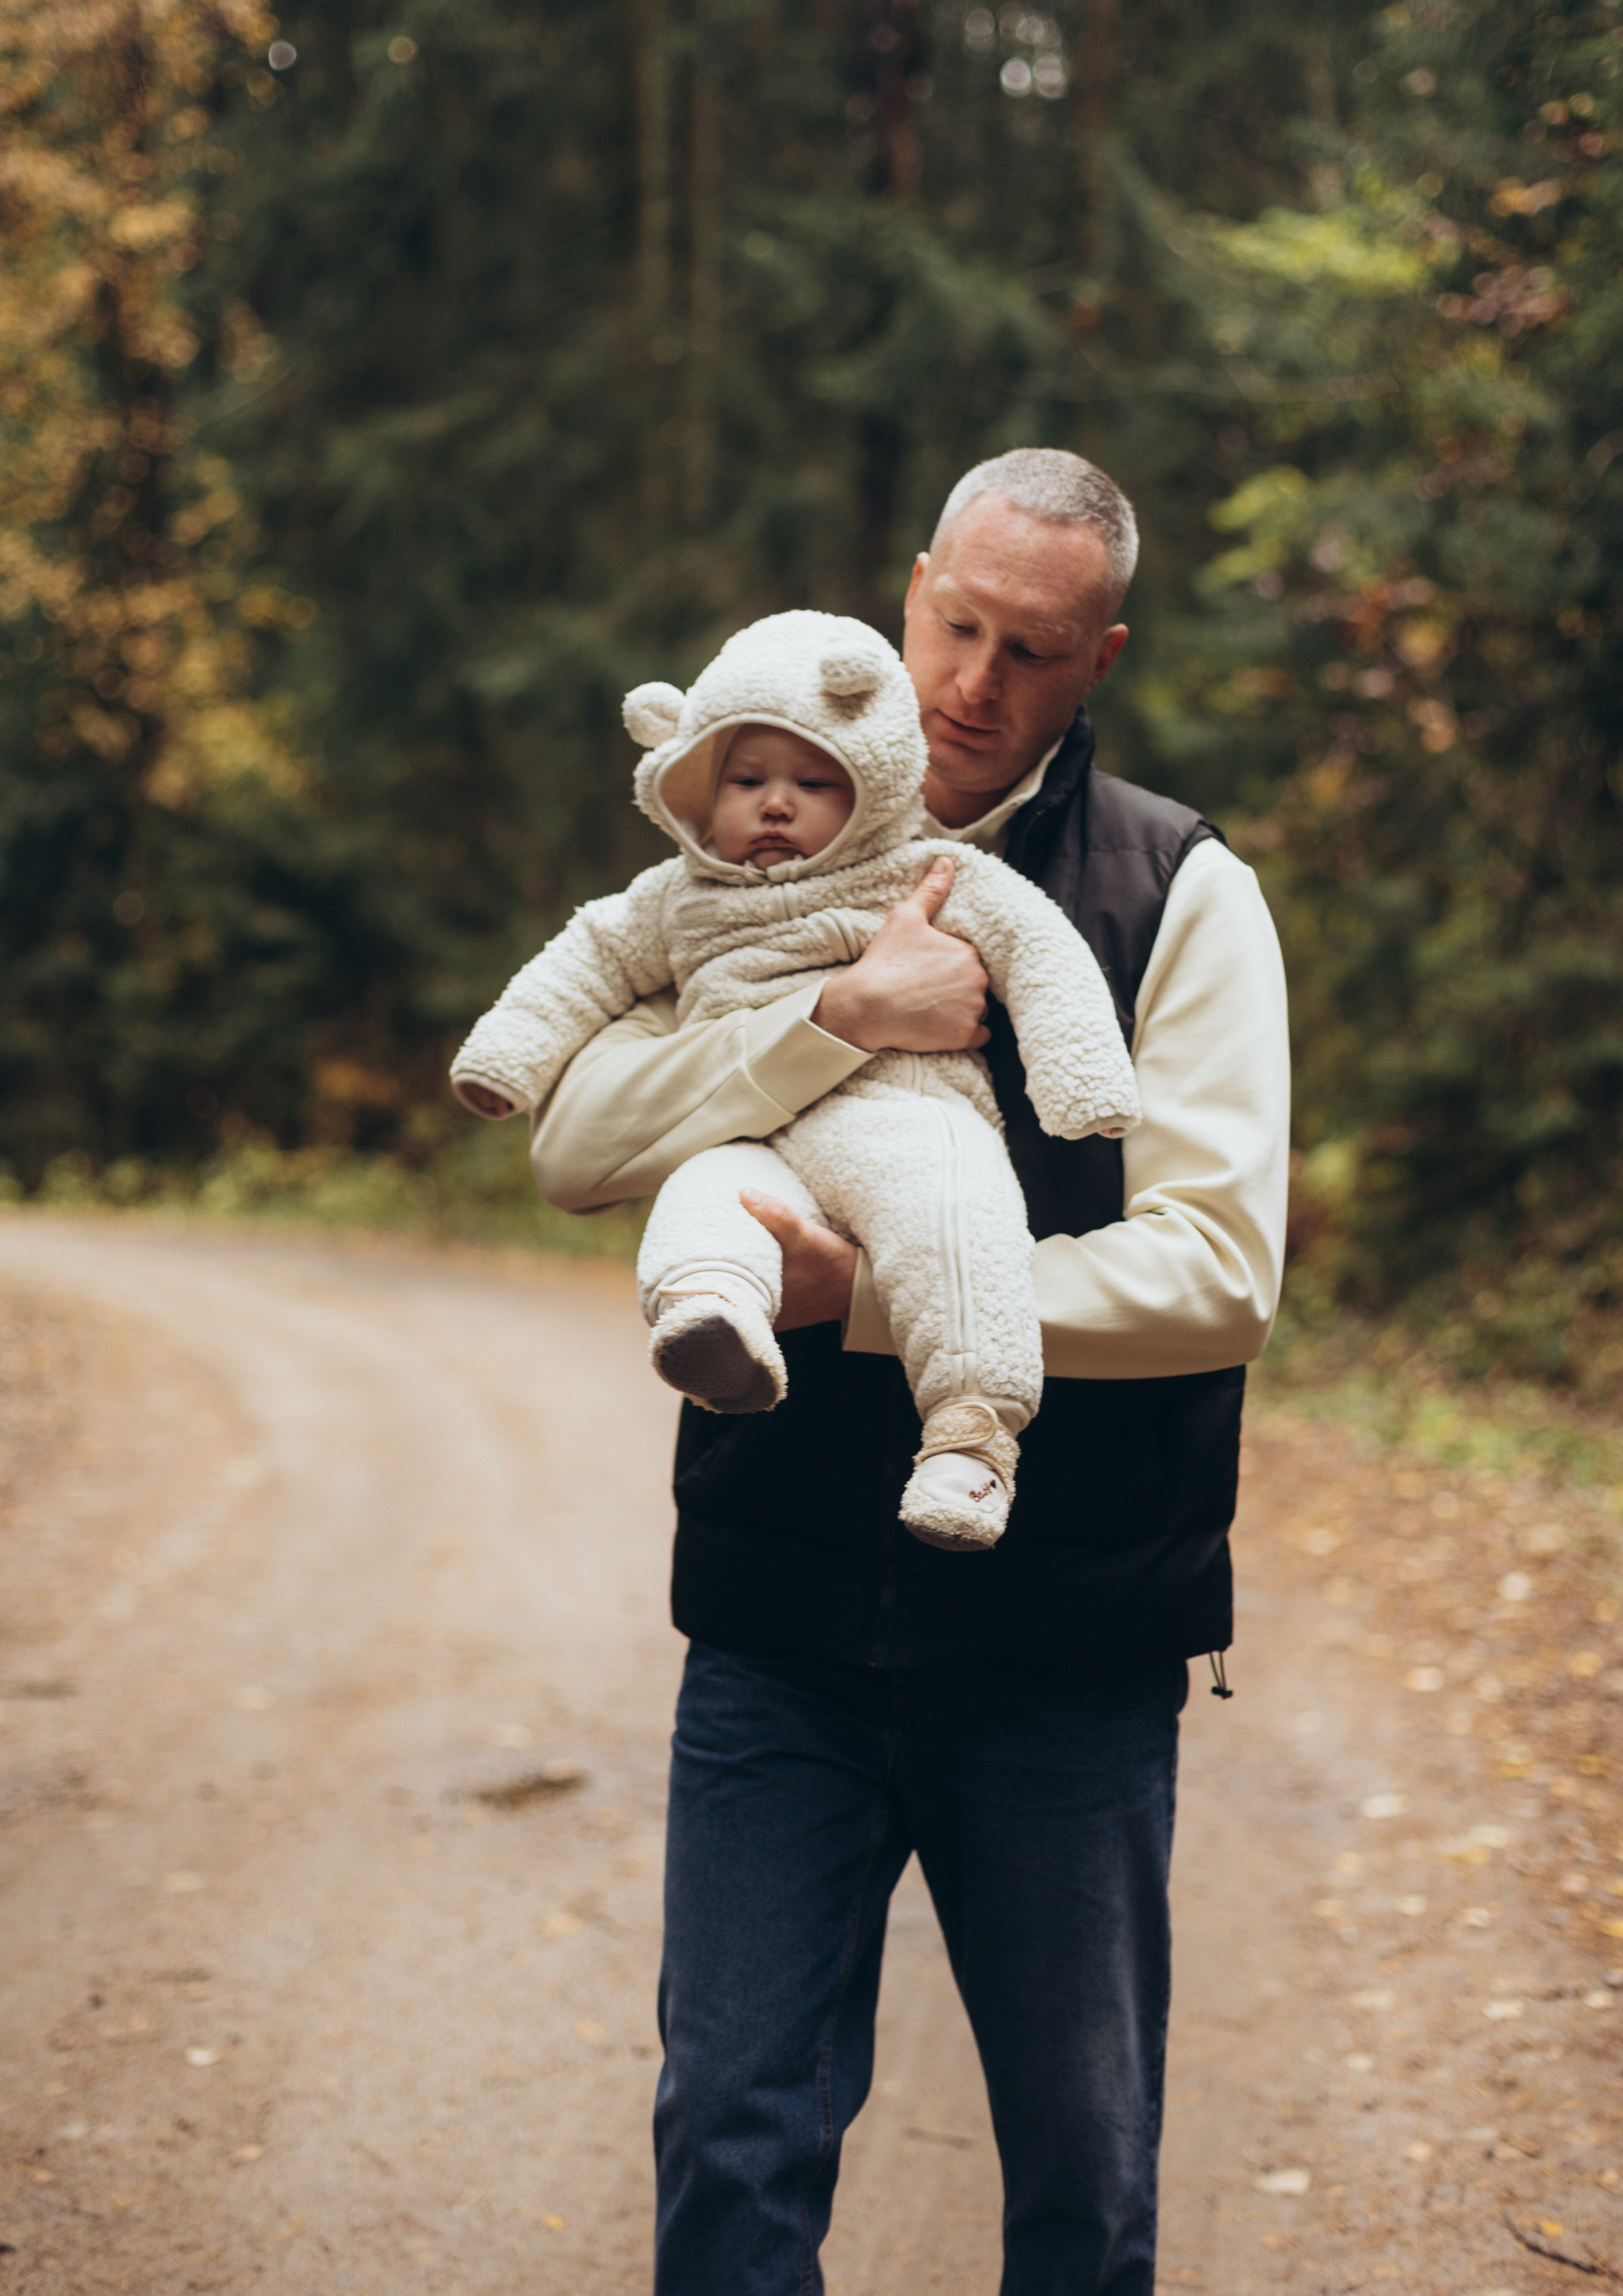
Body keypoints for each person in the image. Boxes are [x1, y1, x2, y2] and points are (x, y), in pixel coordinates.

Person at [531, 448, 1289, 2296]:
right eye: (955, 625)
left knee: (1083, 2187)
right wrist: (832, 1021)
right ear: (911, 587)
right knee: (731, 2139)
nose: (971, 684)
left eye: (1029, 651)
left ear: (1099, 656)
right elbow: (578, 1134)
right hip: (780, 1629)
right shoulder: (743, 821)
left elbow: (1218, 1275)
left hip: (1069, 1651)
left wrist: (868, 1301)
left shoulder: (1174, 893)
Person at [448, 607, 1140, 1550]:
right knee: (703, 1197)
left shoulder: (918, 873)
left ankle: (970, 1443)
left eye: (814, 781)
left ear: (876, 786)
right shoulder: (676, 900)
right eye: (747, 780)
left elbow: (1036, 946)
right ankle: (714, 1319)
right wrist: (505, 1059)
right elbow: (586, 960)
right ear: (696, 785)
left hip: (902, 1116)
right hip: (753, 1138)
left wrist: (1080, 1078)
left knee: (957, 1214)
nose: (776, 804)